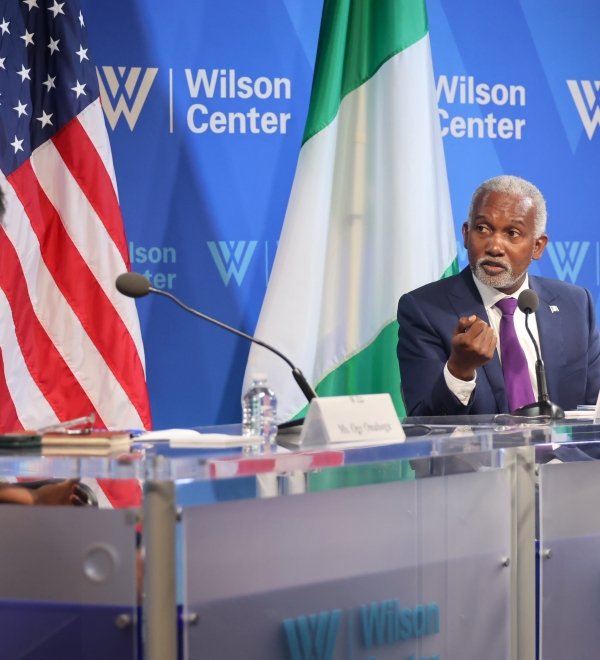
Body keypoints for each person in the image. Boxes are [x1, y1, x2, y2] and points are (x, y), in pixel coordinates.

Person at [396, 174, 600, 416]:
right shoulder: (424, 310)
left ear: (538, 246)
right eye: (482, 229)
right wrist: (459, 370)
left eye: (512, 233)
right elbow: (424, 423)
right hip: (478, 455)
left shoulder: (575, 304)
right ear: (465, 234)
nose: (494, 247)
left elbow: (592, 410)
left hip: (565, 455)